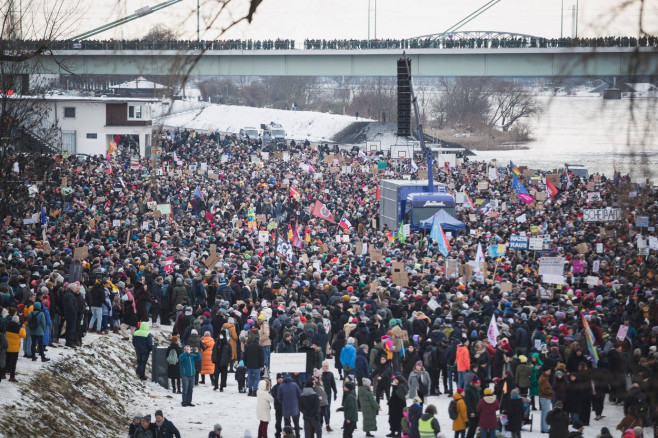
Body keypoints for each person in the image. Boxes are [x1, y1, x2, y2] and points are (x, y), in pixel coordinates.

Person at [321, 361, 338, 431]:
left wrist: (335, 392)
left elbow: (333, 384)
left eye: (327, 366)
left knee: (327, 410)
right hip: (321, 394)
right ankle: (320, 422)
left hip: (328, 394)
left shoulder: (330, 374)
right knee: (320, 410)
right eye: (325, 366)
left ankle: (327, 424)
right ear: (322, 367)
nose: (327, 367)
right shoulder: (319, 374)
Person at [539, 368, 553, 434]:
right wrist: (551, 392)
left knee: (544, 413)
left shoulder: (545, 377)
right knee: (545, 413)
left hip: (544, 397)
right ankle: (545, 428)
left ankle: (543, 428)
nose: (550, 372)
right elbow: (544, 390)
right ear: (545, 371)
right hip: (545, 397)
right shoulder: (544, 378)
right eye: (549, 371)